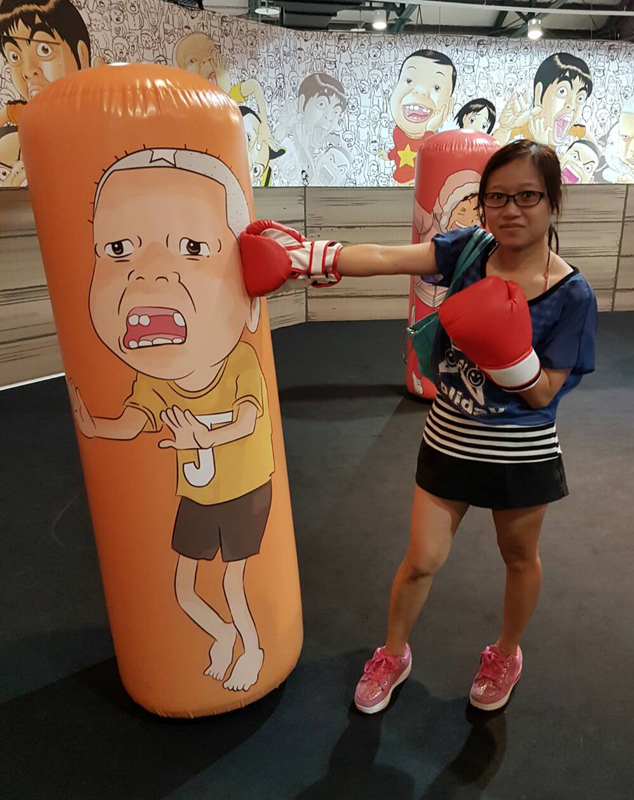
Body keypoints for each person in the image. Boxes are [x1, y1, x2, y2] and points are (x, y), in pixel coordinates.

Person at [241, 140, 597, 713]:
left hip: (521, 452)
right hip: (448, 440)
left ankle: (507, 652)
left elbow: (544, 393)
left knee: (518, 558)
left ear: (553, 201)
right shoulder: (469, 250)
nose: (510, 210)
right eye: (497, 197)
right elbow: (388, 256)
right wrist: (310, 258)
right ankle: (393, 653)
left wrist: (508, 353)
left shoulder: (572, 295)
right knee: (422, 559)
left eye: (527, 196)